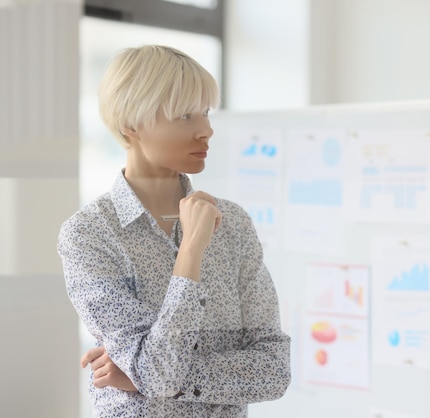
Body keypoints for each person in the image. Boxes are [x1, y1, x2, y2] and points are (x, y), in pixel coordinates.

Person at [57, 45, 291, 417]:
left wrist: (142, 375)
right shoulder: (89, 235)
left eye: (206, 113)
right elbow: (159, 374)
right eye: (185, 116)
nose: (206, 130)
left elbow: (274, 371)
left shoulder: (232, 223)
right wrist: (191, 250)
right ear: (130, 124)